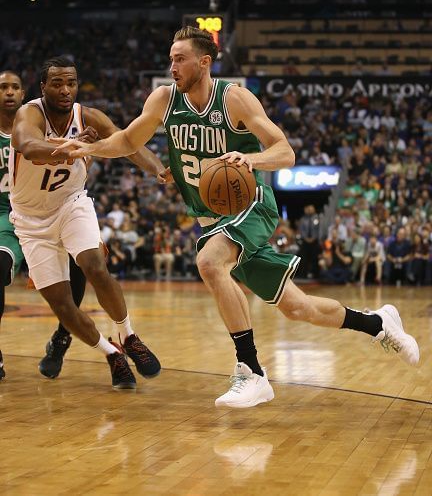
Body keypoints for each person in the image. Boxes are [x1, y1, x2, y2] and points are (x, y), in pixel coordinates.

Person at [54, 27, 420, 408]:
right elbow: (129, 140)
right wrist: (86, 149)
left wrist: (251, 160)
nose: (172, 66)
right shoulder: (164, 99)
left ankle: (251, 371)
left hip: (251, 205)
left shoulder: (234, 99)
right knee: (298, 308)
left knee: (210, 263)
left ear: (204, 61)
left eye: (180, 58)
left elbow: (285, 152)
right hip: (212, 220)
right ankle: (378, 324)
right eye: (170, 58)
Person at [9, 56, 166, 390]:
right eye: (57, 83)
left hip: (71, 203)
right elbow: (27, 144)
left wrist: (160, 171)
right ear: (43, 87)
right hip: (30, 219)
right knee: (63, 306)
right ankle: (111, 353)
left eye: (71, 83)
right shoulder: (30, 113)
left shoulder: (90, 116)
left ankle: (129, 336)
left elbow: (129, 144)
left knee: (95, 265)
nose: (66, 90)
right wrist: (72, 148)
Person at [0, 70, 88, 380]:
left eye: (14, 87)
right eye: (2, 87)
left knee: (85, 262)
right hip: (13, 214)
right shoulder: (28, 130)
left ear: (25, 94)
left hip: (57, 205)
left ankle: (63, 334)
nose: (9, 93)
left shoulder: (48, 120)